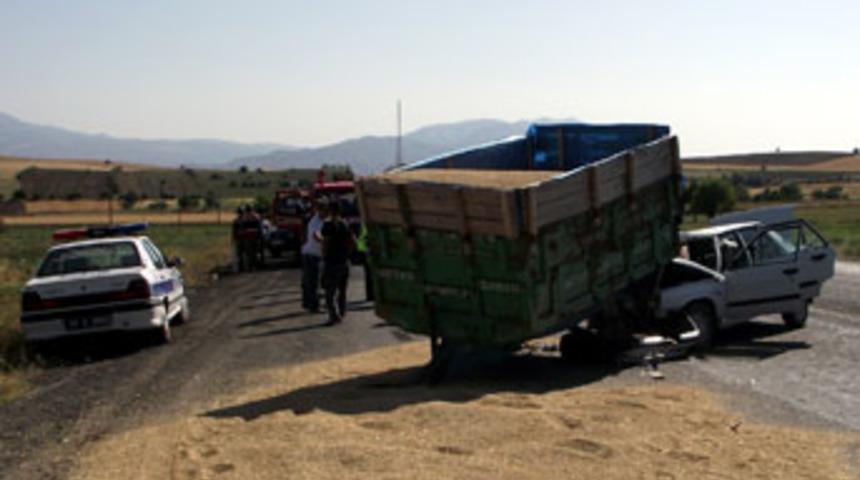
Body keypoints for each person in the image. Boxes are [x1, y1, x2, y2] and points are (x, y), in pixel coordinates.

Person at [317, 201, 354, 325]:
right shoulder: (345, 223)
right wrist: (346, 253)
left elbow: (325, 242)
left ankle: (333, 316)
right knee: (342, 291)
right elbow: (352, 241)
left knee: (330, 292)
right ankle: (342, 312)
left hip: (332, 262)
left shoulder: (328, 224)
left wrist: (324, 255)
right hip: (344, 261)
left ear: (330, 211)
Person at [301, 199, 327, 312]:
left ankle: (308, 303)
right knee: (314, 282)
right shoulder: (315, 221)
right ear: (319, 210)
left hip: (314, 254)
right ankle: (314, 305)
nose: (326, 212)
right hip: (312, 255)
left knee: (309, 281)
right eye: (324, 210)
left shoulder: (323, 220)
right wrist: (327, 242)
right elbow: (316, 236)